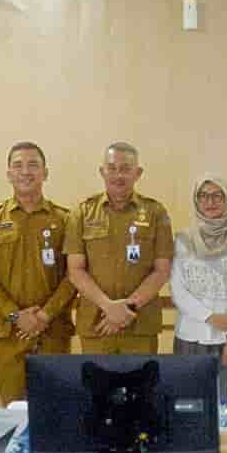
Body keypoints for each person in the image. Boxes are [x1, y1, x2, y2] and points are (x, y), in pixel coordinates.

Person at [0, 143, 76, 405]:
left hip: (53, 330)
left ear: (45, 173)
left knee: (55, 410)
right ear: (9, 174)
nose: (25, 172)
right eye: (18, 166)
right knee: (14, 411)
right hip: (8, 333)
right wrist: (15, 315)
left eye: (33, 165)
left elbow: (73, 275)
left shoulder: (65, 220)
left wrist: (45, 315)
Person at [64, 143, 175, 355]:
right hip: (97, 324)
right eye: (112, 168)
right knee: (96, 378)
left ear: (138, 173)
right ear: (102, 171)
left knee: (141, 378)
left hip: (140, 325)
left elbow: (162, 270)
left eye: (125, 169)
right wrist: (109, 307)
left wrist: (127, 309)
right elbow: (75, 270)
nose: (118, 175)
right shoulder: (83, 212)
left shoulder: (156, 212)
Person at [170, 175, 227, 406]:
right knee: (190, 406)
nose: (210, 202)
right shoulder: (183, 240)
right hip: (189, 336)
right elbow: (178, 290)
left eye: (217, 196)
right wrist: (208, 317)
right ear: (196, 200)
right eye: (204, 196)